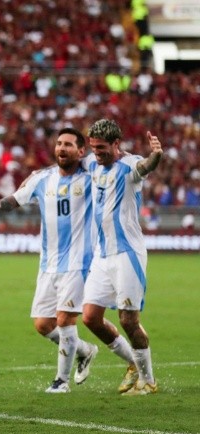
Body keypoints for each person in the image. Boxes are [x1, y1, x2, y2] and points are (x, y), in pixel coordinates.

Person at [0, 128, 99, 393]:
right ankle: (85, 351)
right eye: (59, 144)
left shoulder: (91, 177)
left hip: (79, 262)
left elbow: (104, 168)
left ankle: (62, 381)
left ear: (81, 151)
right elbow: (15, 200)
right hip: (49, 263)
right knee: (43, 324)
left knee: (64, 320)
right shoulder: (41, 178)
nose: (62, 148)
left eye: (68, 144)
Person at [82, 118, 163, 395]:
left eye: (102, 147)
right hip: (102, 256)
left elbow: (145, 166)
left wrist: (156, 156)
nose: (97, 152)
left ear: (117, 144)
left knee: (129, 320)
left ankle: (148, 380)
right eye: (93, 147)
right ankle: (132, 363)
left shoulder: (130, 166)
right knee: (90, 318)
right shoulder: (92, 164)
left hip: (127, 254)